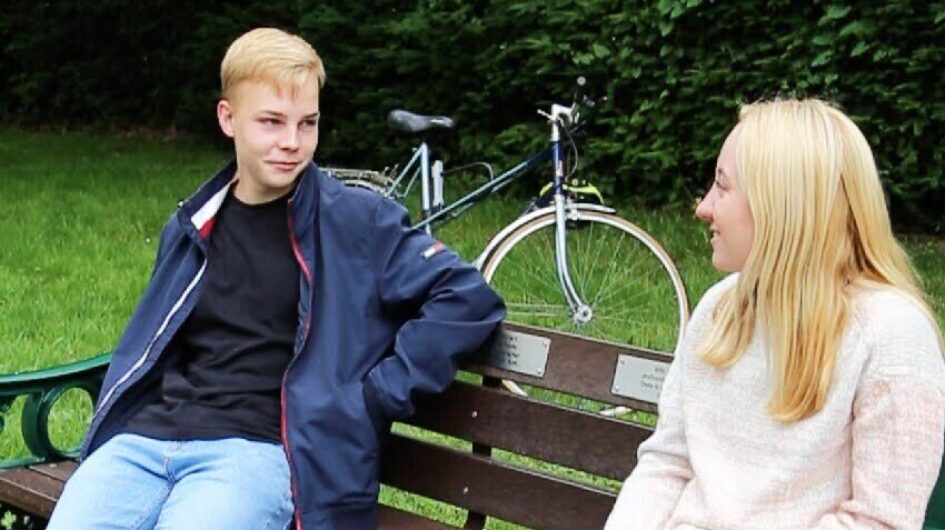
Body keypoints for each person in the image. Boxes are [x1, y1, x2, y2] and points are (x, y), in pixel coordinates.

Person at [46, 27, 505, 530]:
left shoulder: (356, 222)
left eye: (307, 123)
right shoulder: (193, 224)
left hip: (254, 453)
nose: (292, 142)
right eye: (271, 122)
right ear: (228, 119)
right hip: (146, 443)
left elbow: (467, 298)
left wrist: (376, 394)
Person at [605, 98, 945, 530]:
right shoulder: (720, 308)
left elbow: (881, 522)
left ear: (781, 205)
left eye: (723, 187)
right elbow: (668, 465)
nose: (703, 208)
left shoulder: (891, 335)